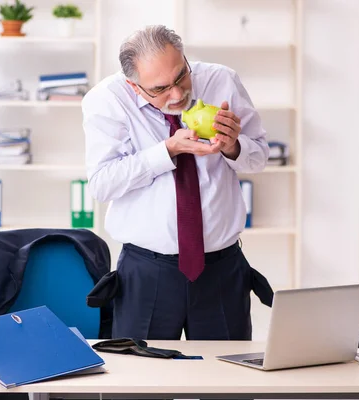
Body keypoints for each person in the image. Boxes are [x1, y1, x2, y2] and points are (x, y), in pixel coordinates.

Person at [81, 25, 270, 341]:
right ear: (134, 85)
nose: (179, 94)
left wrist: (233, 146)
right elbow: (102, 184)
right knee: (143, 383)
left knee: (226, 382)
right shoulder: (107, 100)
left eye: (182, 76)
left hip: (222, 268)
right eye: (161, 88)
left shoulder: (221, 80)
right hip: (146, 273)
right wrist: (166, 151)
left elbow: (260, 156)